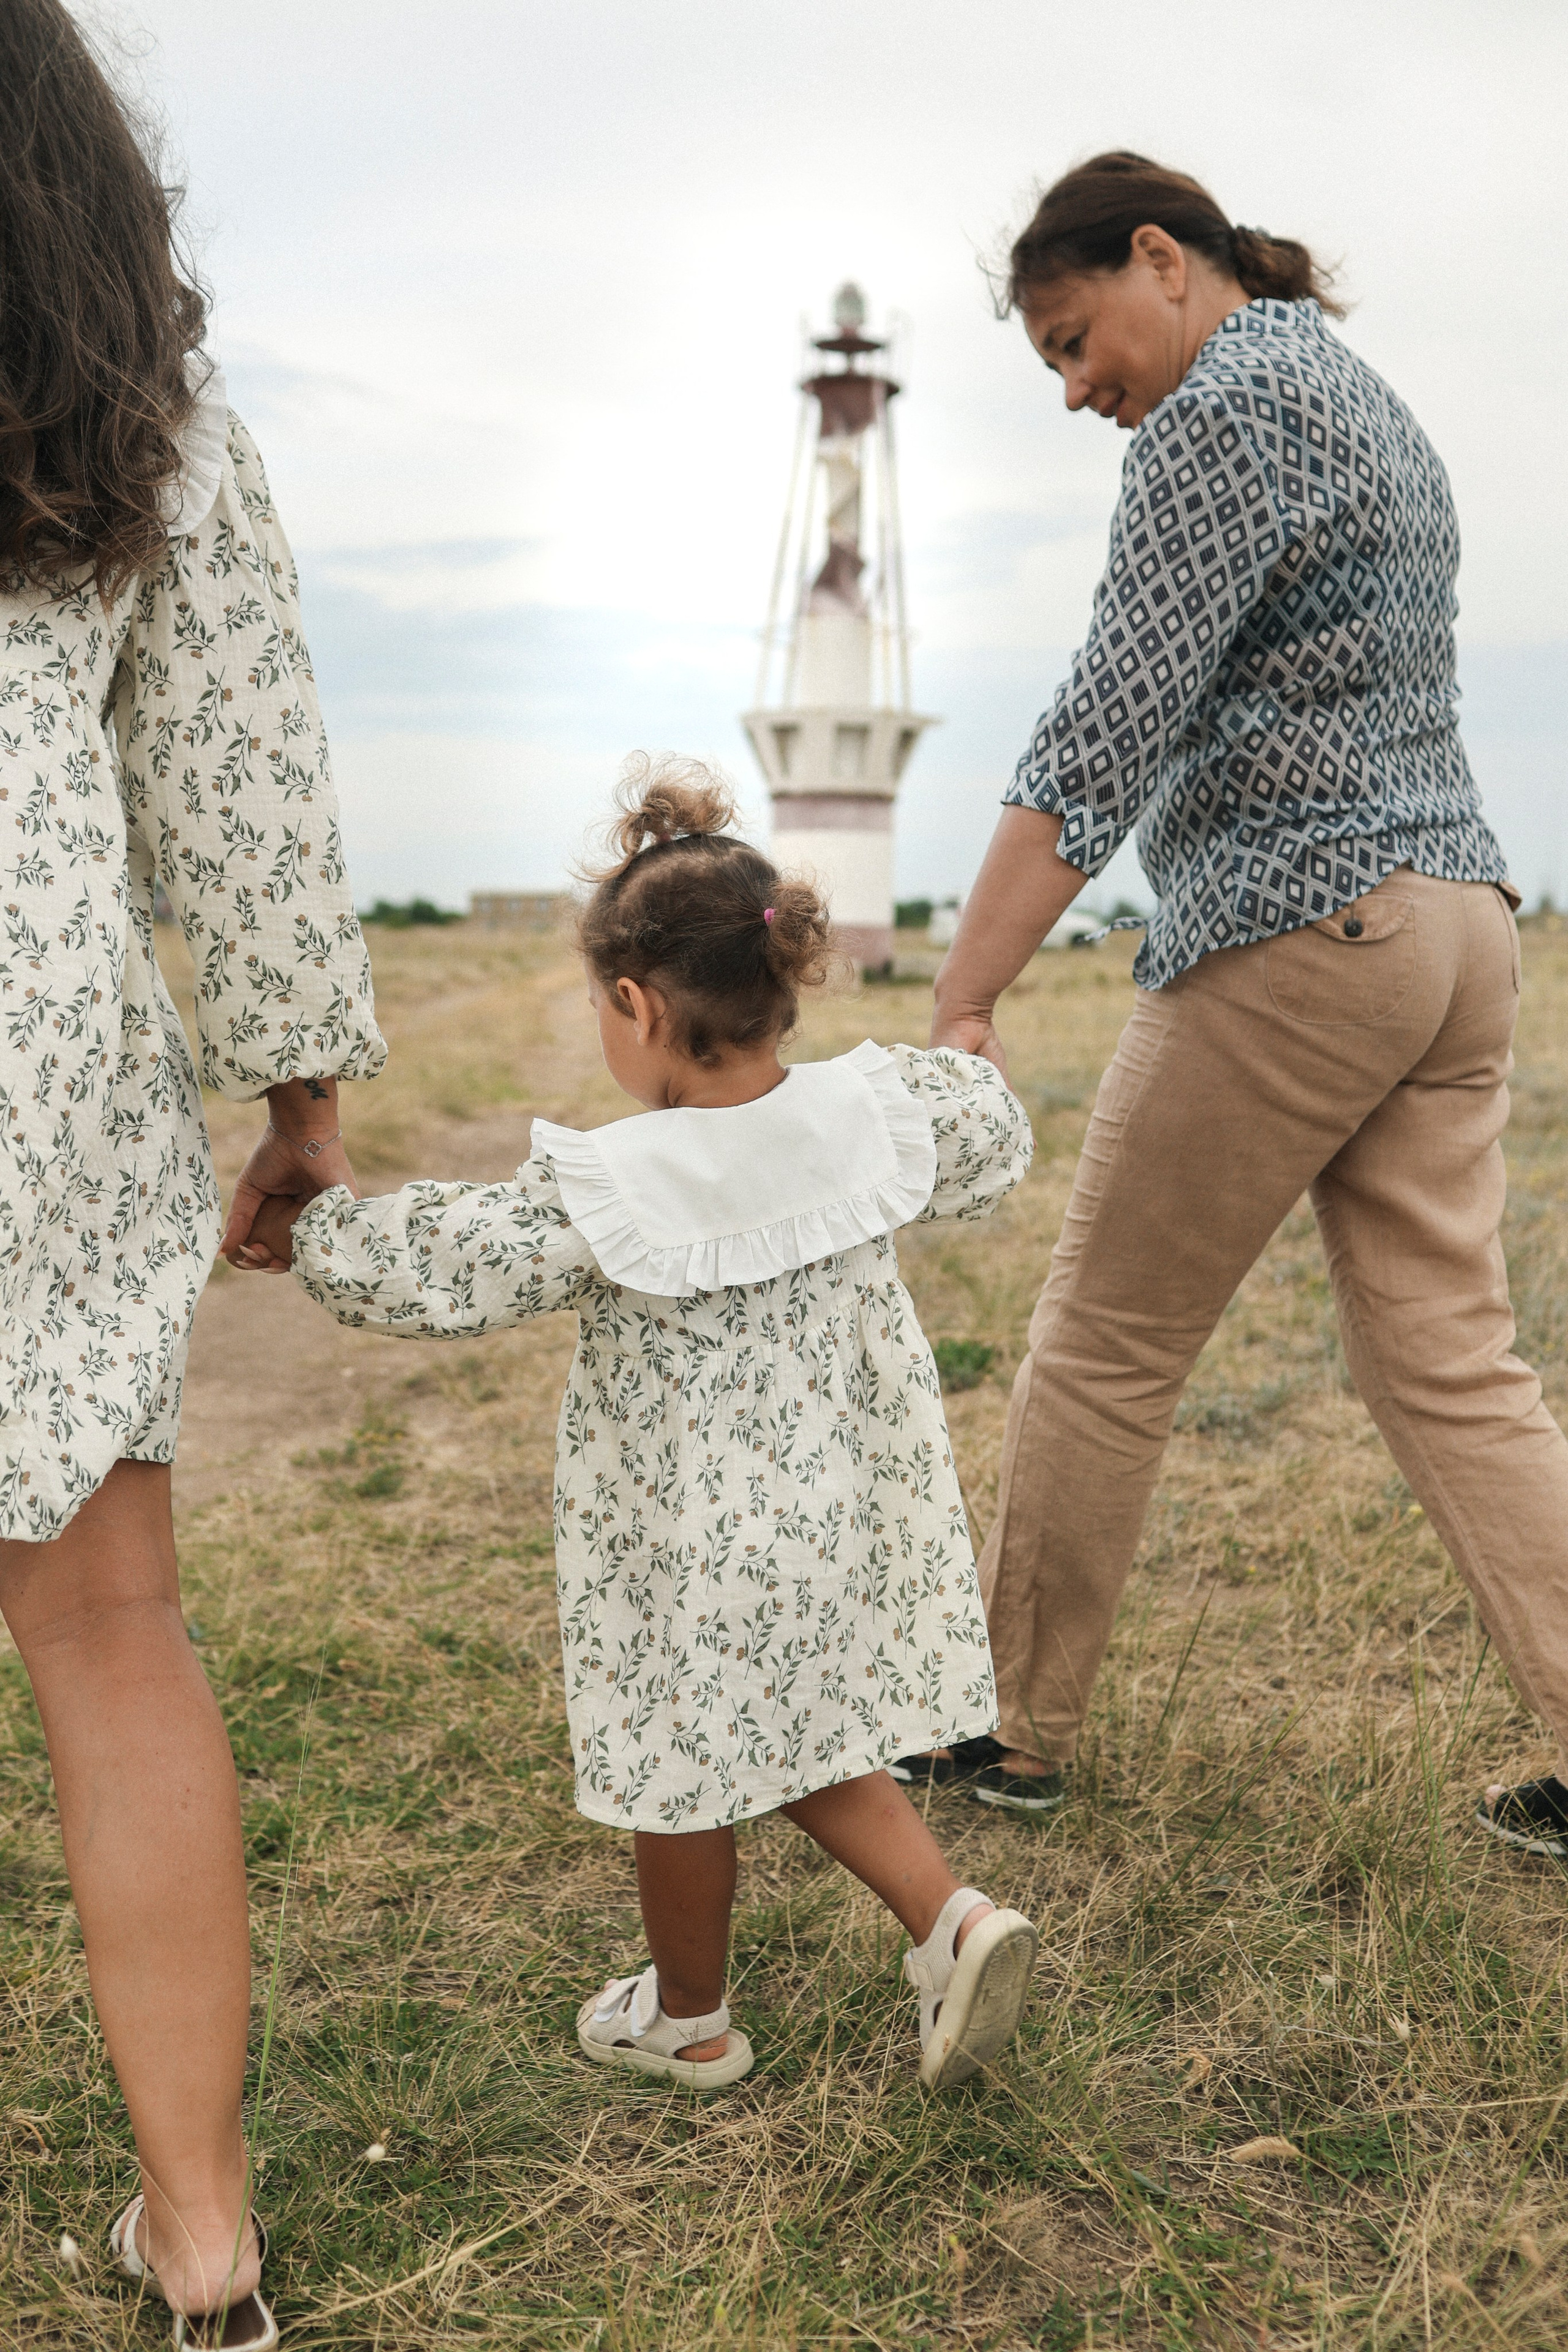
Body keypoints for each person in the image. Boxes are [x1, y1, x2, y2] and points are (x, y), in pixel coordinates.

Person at [899, 150, 1568, 1853]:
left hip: (1303, 922)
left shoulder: (1226, 407)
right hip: (1462, 928)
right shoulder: (1364, 397)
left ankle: (1008, 1736)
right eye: (1049, 365)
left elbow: (1107, 723)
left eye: (1073, 339)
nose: (1074, 390)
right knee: (1453, 1363)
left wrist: (964, 995)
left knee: (1106, 1344)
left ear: (1161, 260)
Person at [243, 761, 1040, 2092]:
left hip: (689, 1550)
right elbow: (987, 1132)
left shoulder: (618, 1183)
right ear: (784, 978)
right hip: (851, 1515)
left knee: (680, 1770)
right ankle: (953, 1921)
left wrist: (317, 1224)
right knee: (815, 1735)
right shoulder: (875, 1110)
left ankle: (690, 2022)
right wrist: (963, 1056)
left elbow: (442, 1267)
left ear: (633, 1001)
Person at [0, 4, 385, 2339]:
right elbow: (243, 783)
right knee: (108, 1632)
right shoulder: (132, 405)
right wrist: (302, 1096)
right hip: (32, 1035)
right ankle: (208, 2246)